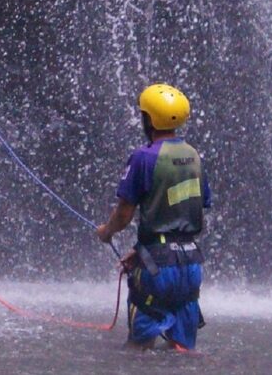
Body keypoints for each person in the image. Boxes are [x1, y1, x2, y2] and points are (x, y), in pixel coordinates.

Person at [96, 83, 211, 351]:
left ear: (149, 119)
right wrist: (141, 251)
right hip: (191, 264)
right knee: (183, 351)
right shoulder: (193, 156)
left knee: (139, 349)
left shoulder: (144, 157)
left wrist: (106, 233)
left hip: (157, 268)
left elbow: (124, 214)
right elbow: (187, 210)